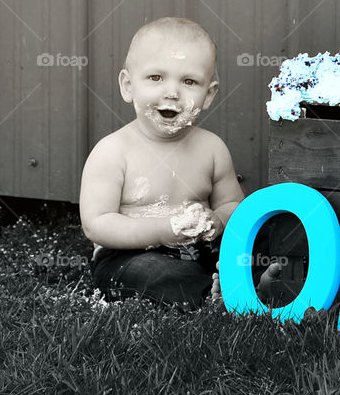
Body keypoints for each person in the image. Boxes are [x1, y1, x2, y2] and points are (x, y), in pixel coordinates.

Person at [79, 17, 282, 311]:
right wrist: (163, 231)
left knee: (262, 231)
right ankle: (217, 296)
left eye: (189, 81)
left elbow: (232, 204)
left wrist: (218, 220)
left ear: (208, 94)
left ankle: (257, 281)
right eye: (156, 78)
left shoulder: (212, 148)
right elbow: (97, 224)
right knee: (155, 273)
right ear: (127, 86)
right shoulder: (112, 151)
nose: (172, 92)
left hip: (202, 249)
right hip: (131, 254)